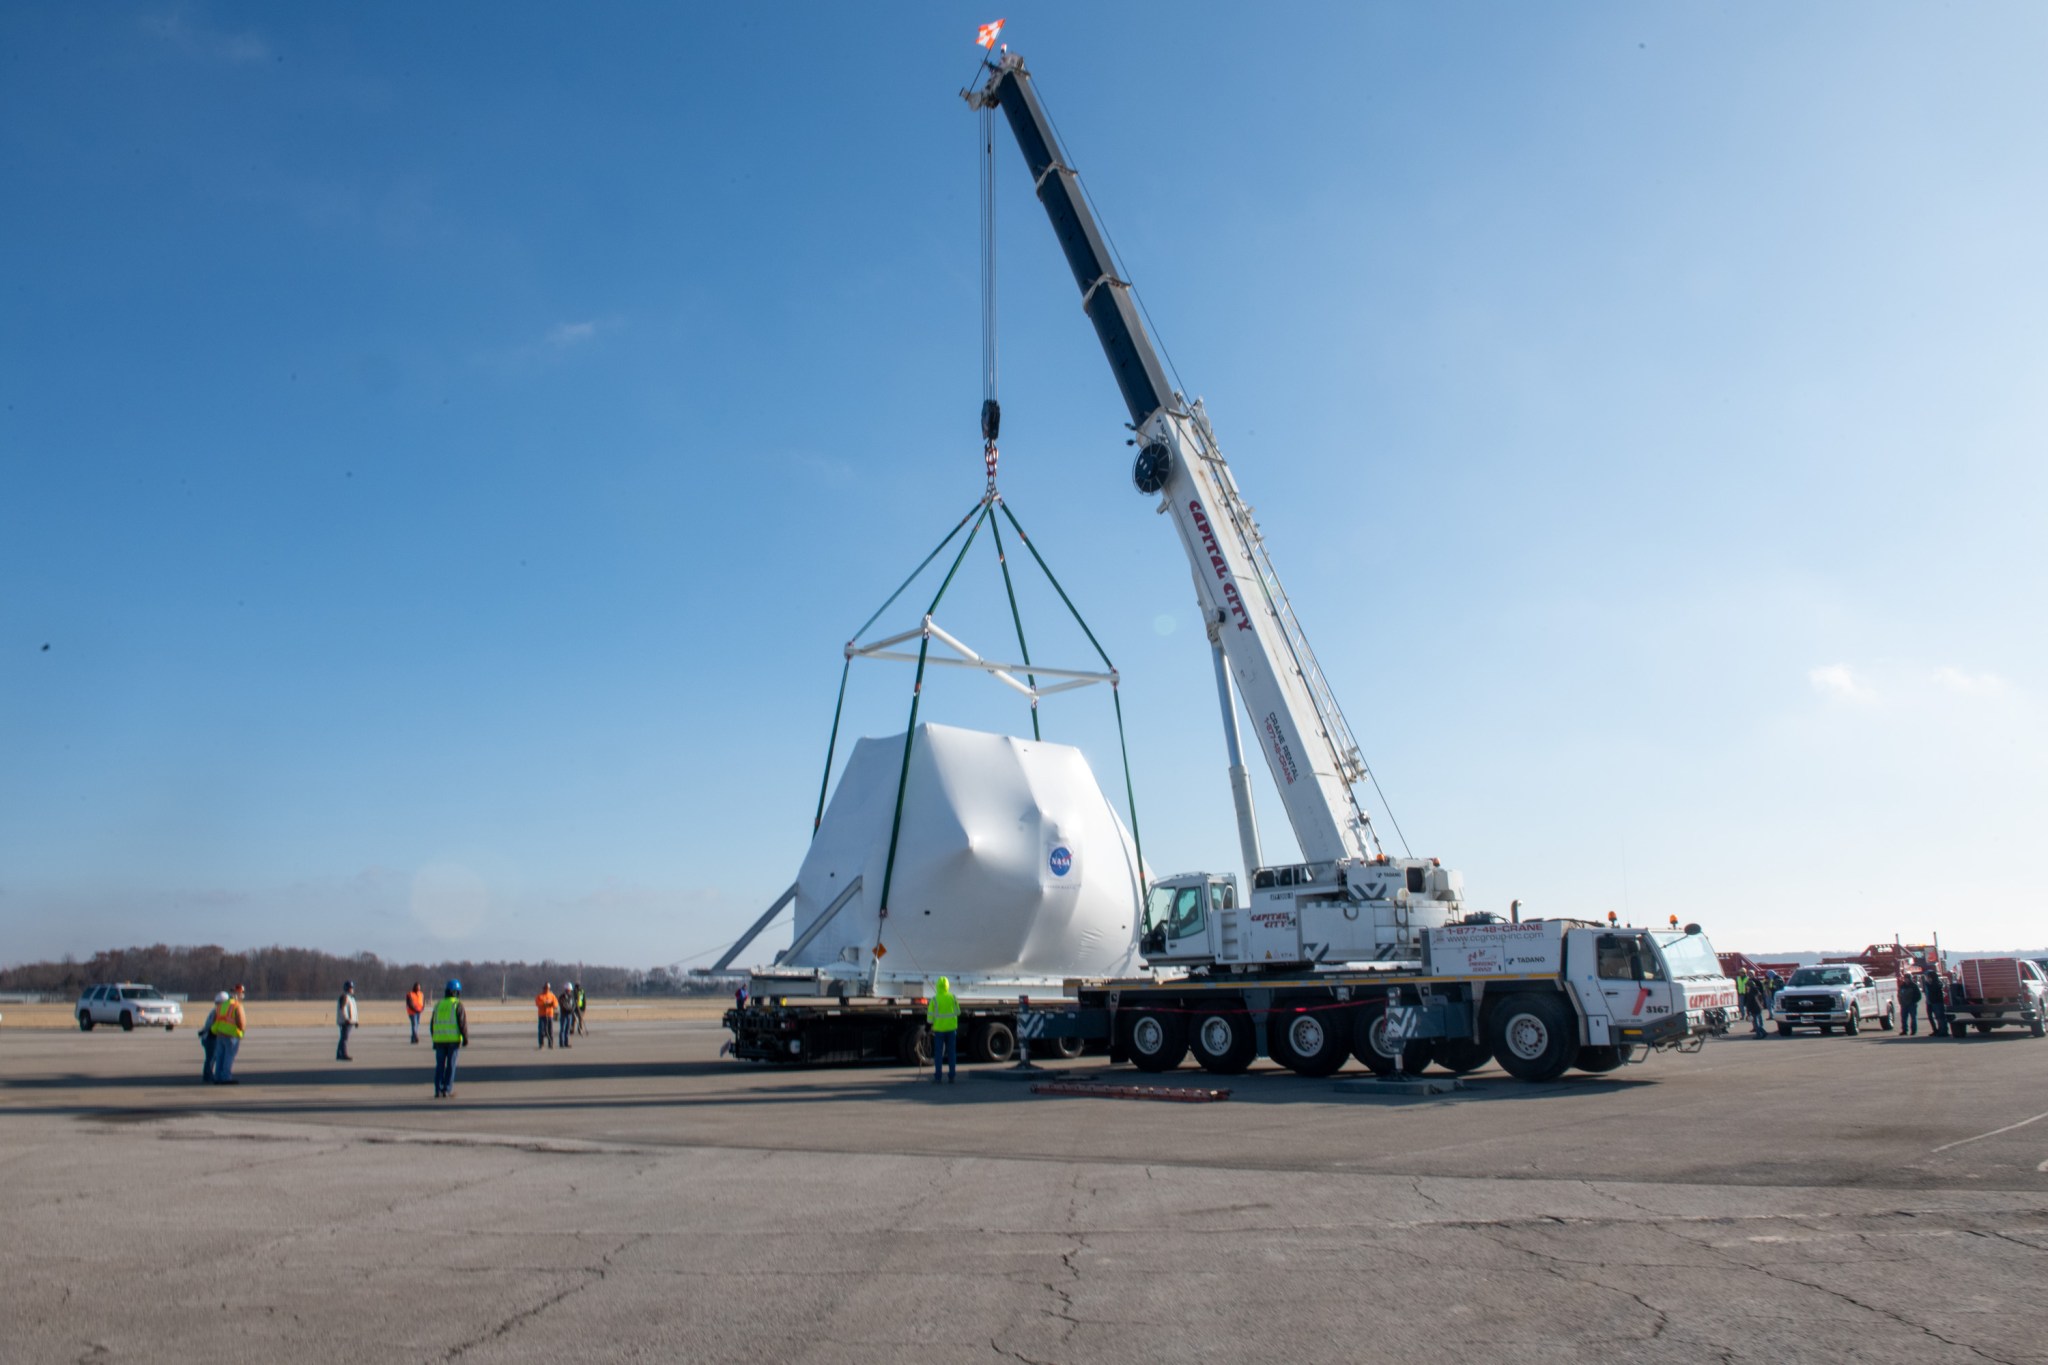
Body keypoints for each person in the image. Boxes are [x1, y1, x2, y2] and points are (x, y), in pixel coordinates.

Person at [430, 979, 468, 1098]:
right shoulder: (457, 1005)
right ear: (456, 992)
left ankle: (437, 1089)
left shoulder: (438, 1005)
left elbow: (432, 1024)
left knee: (440, 1066)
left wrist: (435, 1037)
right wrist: (465, 1038)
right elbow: (462, 1023)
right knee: (451, 1066)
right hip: (453, 1040)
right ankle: (447, 1089)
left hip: (439, 1040)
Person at [211, 984, 247, 1084]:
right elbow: (241, 1021)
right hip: (231, 1035)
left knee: (220, 1057)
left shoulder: (221, 1006)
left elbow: (215, 1019)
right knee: (229, 1056)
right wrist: (242, 1031)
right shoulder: (237, 1005)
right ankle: (226, 1077)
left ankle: (218, 1077)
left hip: (219, 1034)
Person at [927, 976, 960, 1084]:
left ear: (937, 986)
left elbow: (930, 1016)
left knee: (938, 1054)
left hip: (939, 1030)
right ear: (947, 986)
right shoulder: (953, 997)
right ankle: (952, 1076)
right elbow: (958, 1012)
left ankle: (938, 1077)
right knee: (951, 1053)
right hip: (951, 1029)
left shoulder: (934, 999)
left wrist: (929, 1025)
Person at [199, 991, 226, 1082]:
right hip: (210, 1038)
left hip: (209, 1037)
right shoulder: (217, 1012)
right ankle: (208, 1076)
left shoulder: (215, 1011)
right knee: (211, 1058)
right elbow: (210, 1025)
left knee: (212, 1058)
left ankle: (209, 1075)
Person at [336, 981, 358, 1061]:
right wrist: (346, 1019)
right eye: (351, 988)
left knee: (343, 1038)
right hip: (345, 1022)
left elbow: (352, 1011)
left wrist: (355, 1021)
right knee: (344, 1039)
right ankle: (343, 1054)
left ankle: (339, 1054)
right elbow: (342, 1010)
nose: (352, 989)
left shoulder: (350, 998)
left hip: (349, 1021)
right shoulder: (345, 997)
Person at [1923, 969, 1948, 1036]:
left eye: (1927, 976)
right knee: (1932, 1017)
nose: (1926, 978)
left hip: (1937, 1003)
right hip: (1929, 1002)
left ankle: (1943, 1031)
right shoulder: (1927, 984)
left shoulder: (1936, 983)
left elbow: (1935, 992)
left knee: (1940, 1017)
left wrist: (1930, 984)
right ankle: (1936, 1030)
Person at [1899, 971, 1922, 1036]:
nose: (1906, 980)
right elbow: (1899, 994)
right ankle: (1904, 1030)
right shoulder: (1902, 986)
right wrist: (1901, 1002)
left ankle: (1913, 1031)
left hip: (1912, 1004)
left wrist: (1913, 1001)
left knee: (1913, 1018)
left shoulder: (1914, 986)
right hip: (1904, 1005)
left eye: (1907, 978)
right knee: (1903, 1018)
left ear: (1910, 978)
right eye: (1905, 978)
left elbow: (1919, 996)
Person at [536, 982, 558, 1049]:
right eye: (545, 988)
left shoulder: (552, 995)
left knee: (550, 1030)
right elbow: (538, 1003)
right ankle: (541, 1044)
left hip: (549, 1015)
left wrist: (551, 1004)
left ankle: (550, 1044)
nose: (546, 989)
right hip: (542, 1015)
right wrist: (544, 1004)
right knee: (541, 1030)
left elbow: (555, 1004)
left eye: (548, 988)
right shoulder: (539, 996)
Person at [558, 983, 575, 1049]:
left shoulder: (571, 997)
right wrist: (569, 1009)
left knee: (567, 1029)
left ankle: (566, 1042)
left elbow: (573, 1004)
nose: (569, 991)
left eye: (570, 990)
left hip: (569, 1015)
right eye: (568, 990)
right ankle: (561, 1043)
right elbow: (562, 1005)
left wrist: (572, 1009)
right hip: (564, 1014)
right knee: (562, 1029)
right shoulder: (562, 996)